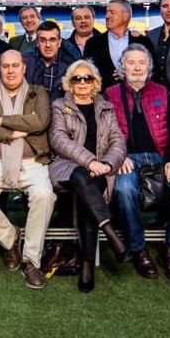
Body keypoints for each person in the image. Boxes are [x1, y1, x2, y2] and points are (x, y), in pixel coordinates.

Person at [0, 50, 55, 289]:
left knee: (44, 195)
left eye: (16, 66)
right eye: (6, 66)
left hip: (31, 160)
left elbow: (41, 121)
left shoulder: (39, 93)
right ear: (0, 69)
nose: (11, 70)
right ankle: (10, 237)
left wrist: (3, 120)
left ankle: (31, 259)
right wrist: (13, 133)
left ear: (24, 68)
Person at [107, 45, 170, 282]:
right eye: (130, 63)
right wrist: (117, 156)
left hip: (161, 157)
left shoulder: (164, 92)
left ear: (149, 67)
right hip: (125, 158)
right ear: (122, 67)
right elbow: (104, 133)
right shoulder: (109, 94)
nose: (136, 68)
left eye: (141, 63)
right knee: (124, 190)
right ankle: (138, 248)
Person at [47, 60, 129, 292]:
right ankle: (110, 232)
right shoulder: (59, 105)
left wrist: (106, 163)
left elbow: (118, 141)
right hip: (67, 165)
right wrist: (89, 161)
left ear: (95, 82)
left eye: (87, 78)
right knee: (84, 179)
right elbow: (58, 140)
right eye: (77, 78)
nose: (82, 82)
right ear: (69, 83)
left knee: (88, 192)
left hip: (100, 167)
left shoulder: (106, 107)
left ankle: (86, 263)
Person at [83, 0, 154, 83]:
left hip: (137, 95)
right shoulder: (92, 43)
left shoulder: (143, 41)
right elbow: (86, 74)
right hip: (103, 95)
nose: (107, 16)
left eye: (112, 12)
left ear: (125, 16)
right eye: (107, 12)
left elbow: (153, 72)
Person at [24, 20, 72, 101]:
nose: (48, 45)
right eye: (43, 40)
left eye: (52, 40)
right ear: (37, 43)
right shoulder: (24, 62)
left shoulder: (69, 67)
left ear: (59, 42)